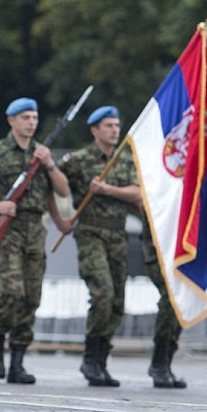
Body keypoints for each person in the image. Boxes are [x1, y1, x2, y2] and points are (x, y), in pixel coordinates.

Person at [0, 97, 71, 384]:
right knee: (12, 292)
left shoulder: (42, 155)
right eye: (25, 117)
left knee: (31, 298)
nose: (31, 122)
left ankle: (18, 361)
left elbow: (62, 191)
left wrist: (50, 165)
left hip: (35, 232)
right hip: (7, 232)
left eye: (34, 117)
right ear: (11, 120)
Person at [59, 105, 140, 387]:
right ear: (95, 130)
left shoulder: (125, 160)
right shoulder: (78, 160)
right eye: (108, 125)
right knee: (103, 293)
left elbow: (138, 194)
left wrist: (107, 190)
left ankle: (102, 360)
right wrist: (60, 218)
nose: (114, 130)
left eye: (117, 125)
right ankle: (90, 359)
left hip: (117, 237)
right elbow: (51, 182)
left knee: (117, 302)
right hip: (90, 234)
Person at [142, 216, 188, 388]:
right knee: (170, 298)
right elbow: (141, 198)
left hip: (179, 248)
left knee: (181, 301)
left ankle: (166, 364)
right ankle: (159, 363)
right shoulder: (156, 187)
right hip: (159, 248)